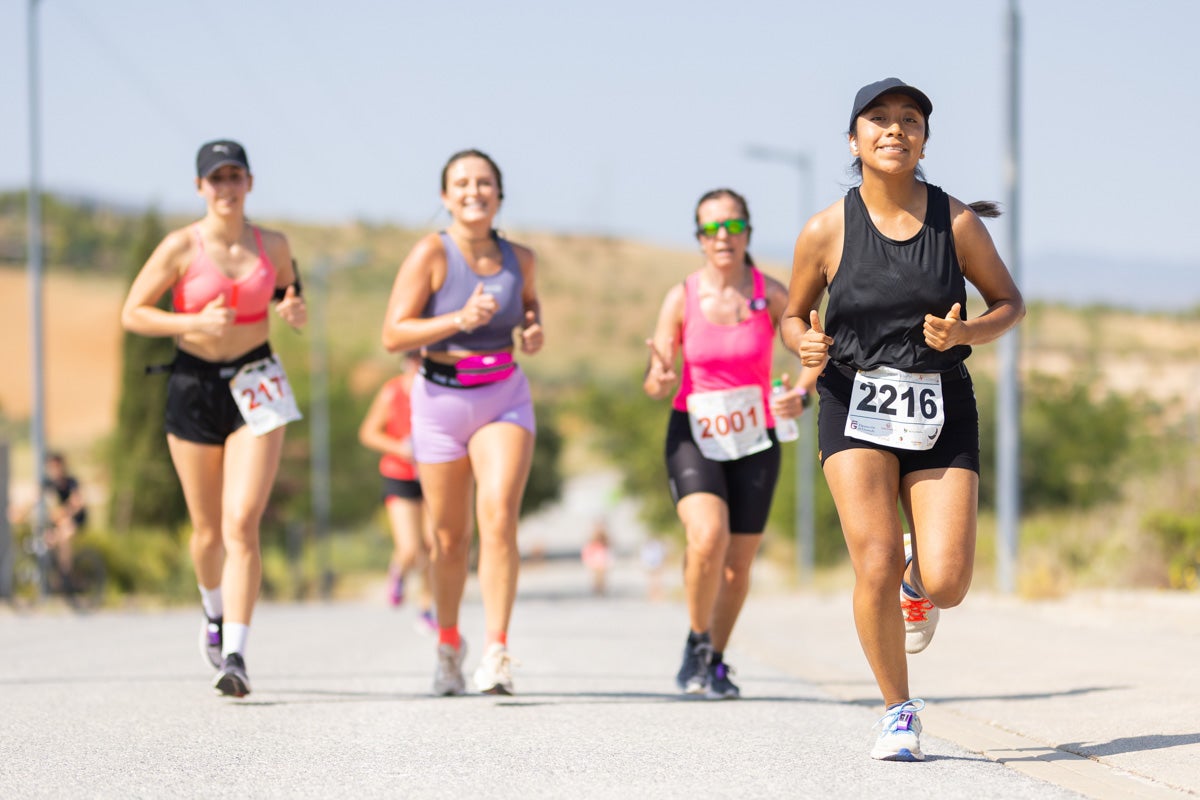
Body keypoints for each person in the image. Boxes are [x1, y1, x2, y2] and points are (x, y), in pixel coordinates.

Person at [782, 78, 1024, 760]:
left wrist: (967, 336)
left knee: (947, 581)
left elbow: (1009, 303)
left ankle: (919, 585)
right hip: (852, 403)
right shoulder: (826, 229)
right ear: (854, 139)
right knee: (877, 560)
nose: (895, 129)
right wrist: (800, 341)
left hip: (940, 403)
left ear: (924, 138)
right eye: (879, 119)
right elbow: (792, 313)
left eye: (909, 120)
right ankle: (898, 711)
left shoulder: (956, 223)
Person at [120, 139, 307, 698]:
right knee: (207, 532)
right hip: (195, 385)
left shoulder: (273, 243)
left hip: (257, 382)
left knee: (242, 522)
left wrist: (293, 309)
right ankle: (213, 610)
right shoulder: (181, 246)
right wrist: (191, 323)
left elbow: (289, 293)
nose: (226, 188)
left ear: (249, 183)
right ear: (201, 187)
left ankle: (236, 654)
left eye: (235, 177)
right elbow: (133, 313)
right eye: (215, 179)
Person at [380, 149, 543, 696]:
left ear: (499, 194)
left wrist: (534, 329)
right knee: (449, 539)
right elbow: (393, 334)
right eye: (462, 183)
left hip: (503, 395)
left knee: (498, 517)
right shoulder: (431, 253)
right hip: (441, 400)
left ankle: (496, 651)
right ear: (446, 196)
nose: (474, 191)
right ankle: (449, 643)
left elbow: (529, 307)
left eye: (484, 182)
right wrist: (455, 319)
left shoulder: (522, 257)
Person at [643, 188, 815, 700]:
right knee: (707, 536)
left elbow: (813, 350)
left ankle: (715, 658)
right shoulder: (682, 297)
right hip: (694, 432)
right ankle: (697, 644)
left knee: (739, 564)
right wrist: (661, 374)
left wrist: (799, 397)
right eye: (712, 228)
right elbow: (655, 382)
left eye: (733, 227)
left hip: (756, 436)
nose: (724, 237)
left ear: (747, 233)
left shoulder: (773, 295)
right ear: (699, 238)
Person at [358, 351, 437, 633]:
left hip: (433, 472)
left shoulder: (438, 390)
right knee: (410, 548)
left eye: (422, 360)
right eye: (413, 359)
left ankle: (427, 607)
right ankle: (399, 571)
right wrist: (401, 449)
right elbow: (368, 432)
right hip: (400, 473)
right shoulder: (391, 392)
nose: (417, 365)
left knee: (434, 543)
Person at [580, 520, 612, 596]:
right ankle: (597, 588)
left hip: (602, 554)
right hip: (596, 554)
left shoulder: (604, 535)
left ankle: (601, 588)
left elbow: (609, 544)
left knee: (602, 574)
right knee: (596, 574)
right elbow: (590, 544)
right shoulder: (593, 535)